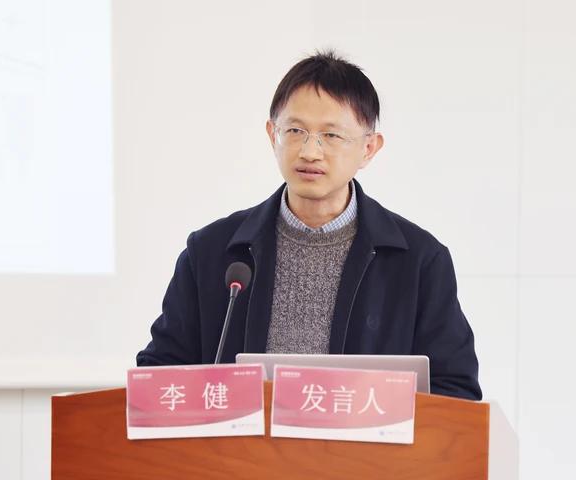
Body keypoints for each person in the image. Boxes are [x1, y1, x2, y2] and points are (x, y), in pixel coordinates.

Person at [137, 50, 482, 401]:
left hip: (364, 437)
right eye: (295, 131)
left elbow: (455, 392)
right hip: (240, 440)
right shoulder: (211, 252)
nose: (310, 152)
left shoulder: (419, 261)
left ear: (369, 148)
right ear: (272, 134)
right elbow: (160, 376)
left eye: (331, 135)